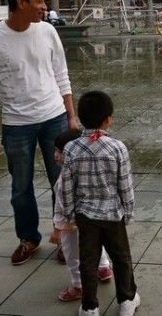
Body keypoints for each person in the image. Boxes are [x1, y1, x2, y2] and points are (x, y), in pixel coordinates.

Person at [0, 0, 78, 266]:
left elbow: (62, 75)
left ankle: (65, 238)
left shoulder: (47, 31)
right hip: (16, 125)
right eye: (40, 0)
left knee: (61, 182)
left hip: (54, 118)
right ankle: (28, 238)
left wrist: (71, 117)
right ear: (20, 2)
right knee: (21, 187)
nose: (45, 7)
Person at [60, 91, 140, 316]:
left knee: (88, 261)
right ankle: (127, 300)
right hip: (113, 215)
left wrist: (70, 214)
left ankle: (90, 306)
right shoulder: (117, 147)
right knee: (121, 258)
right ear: (108, 119)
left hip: (86, 217)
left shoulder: (71, 148)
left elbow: (66, 186)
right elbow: (125, 184)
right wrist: (129, 211)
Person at [51, 128, 113, 302]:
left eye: (60, 152)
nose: (56, 155)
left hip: (71, 226)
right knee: (95, 246)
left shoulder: (64, 179)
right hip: (93, 220)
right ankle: (104, 268)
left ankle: (79, 285)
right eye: (55, 150)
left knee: (73, 255)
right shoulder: (90, 170)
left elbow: (61, 208)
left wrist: (57, 230)